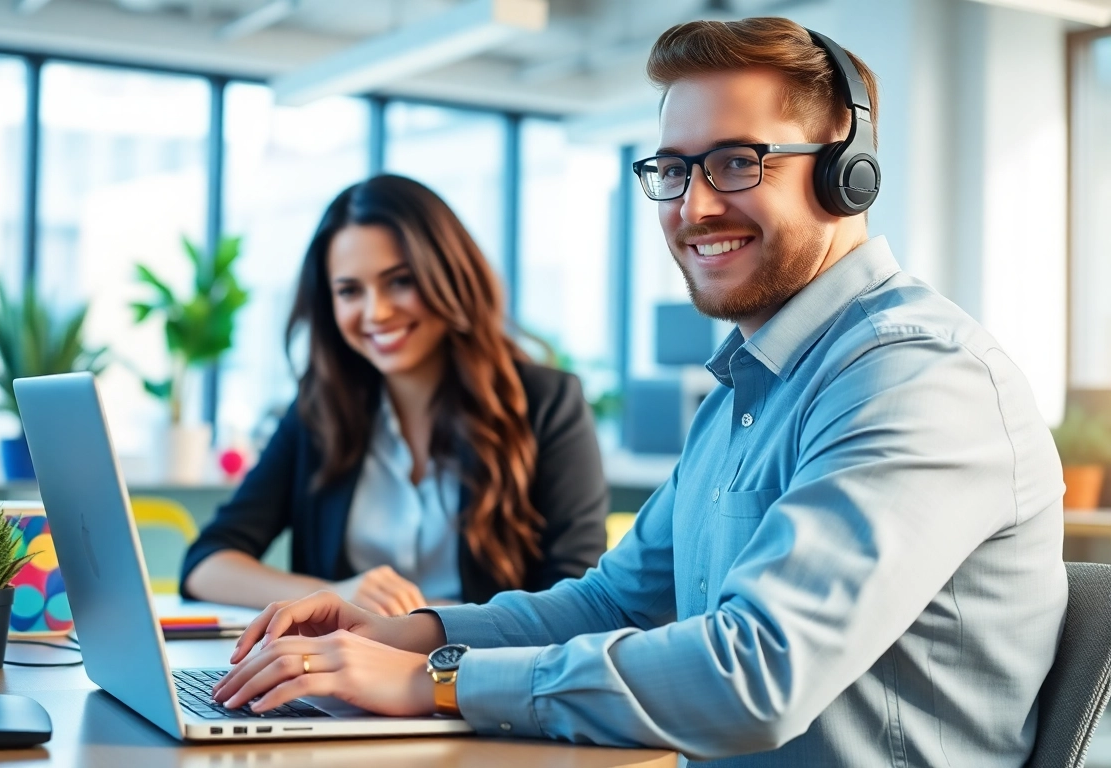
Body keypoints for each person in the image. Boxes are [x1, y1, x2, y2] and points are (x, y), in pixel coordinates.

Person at [207, 18, 1067, 766]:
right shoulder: (750, 384)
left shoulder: (916, 377)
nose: (692, 208)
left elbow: (754, 675)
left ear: (849, 174)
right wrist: (409, 634)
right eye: (673, 169)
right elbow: (610, 601)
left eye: (736, 162)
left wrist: (435, 682)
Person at [180, 174, 609, 616]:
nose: (376, 312)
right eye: (349, 291)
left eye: (400, 281)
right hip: (343, 680)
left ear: (450, 277)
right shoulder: (319, 411)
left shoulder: (547, 402)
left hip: (481, 676)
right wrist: (333, 593)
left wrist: (431, 623)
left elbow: (574, 601)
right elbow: (206, 564)